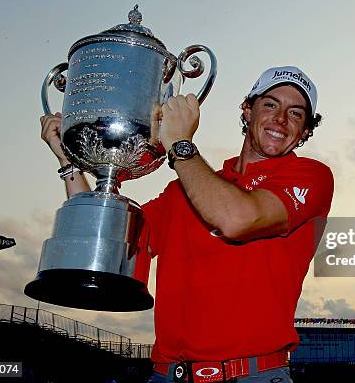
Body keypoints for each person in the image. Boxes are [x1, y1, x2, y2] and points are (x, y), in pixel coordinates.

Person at [40, 66, 334, 383]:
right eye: (270, 104)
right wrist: (68, 163)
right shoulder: (183, 191)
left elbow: (237, 219)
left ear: (305, 131)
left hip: (252, 375)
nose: (280, 119)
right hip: (167, 375)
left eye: (296, 113)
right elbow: (103, 234)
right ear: (247, 110)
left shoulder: (312, 176)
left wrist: (180, 144)